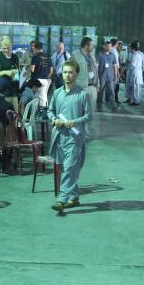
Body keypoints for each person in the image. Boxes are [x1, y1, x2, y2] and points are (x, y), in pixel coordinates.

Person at [47, 59, 92, 211]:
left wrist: (74, 121)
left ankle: (61, 200)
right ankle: (74, 197)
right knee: (66, 169)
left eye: (70, 72)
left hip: (75, 138)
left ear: (76, 74)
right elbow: (50, 110)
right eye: (65, 72)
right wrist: (54, 119)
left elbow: (89, 116)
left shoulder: (83, 94)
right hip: (59, 137)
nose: (67, 75)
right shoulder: (57, 93)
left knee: (69, 167)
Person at [0, 36, 21, 102]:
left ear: (11, 45)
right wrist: (5, 72)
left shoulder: (15, 57)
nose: (6, 50)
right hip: (2, 96)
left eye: (8, 48)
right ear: (0, 46)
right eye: (4, 48)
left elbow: (16, 74)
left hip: (14, 94)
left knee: (15, 112)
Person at [96, 40, 122, 113]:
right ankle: (99, 105)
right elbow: (97, 66)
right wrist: (97, 77)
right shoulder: (100, 55)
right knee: (100, 92)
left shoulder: (112, 55)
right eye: (107, 46)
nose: (109, 48)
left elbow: (115, 66)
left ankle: (114, 107)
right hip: (102, 77)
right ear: (105, 46)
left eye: (110, 46)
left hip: (110, 77)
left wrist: (116, 76)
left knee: (111, 92)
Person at [29, 40, 53, 107]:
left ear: (36, 48)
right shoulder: (48, 57)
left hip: (37, 80)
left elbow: (32, 69)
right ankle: (41, 110)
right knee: (43, 96)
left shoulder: (35, 57)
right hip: (46, 80)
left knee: (40, 97)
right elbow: (51, 70)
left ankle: (42, 111)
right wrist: (46, 77)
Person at [126, 41, 144, 106]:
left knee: (136, 88)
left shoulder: (136, 55)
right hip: (137, 73)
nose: (129, 49)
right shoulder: (138, 54)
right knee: (136, 88)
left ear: (132, 48)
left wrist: (128, 64)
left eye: (130, 48)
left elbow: (133, 65)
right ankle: (134, 100)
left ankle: (136, 101)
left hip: (135, 74)